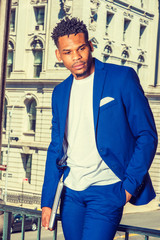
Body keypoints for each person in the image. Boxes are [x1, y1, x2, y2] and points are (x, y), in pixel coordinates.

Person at [41, 17, 158, 240]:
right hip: (72, 193)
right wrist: (47, 201)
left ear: (90, 46)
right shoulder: (59, 93)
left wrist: (128, 188)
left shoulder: (122, 78)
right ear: (58, 55)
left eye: (81, 48)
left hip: (108, 190)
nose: (76, 57)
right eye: (67, 52)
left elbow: (147, 135)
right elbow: (56, 147)